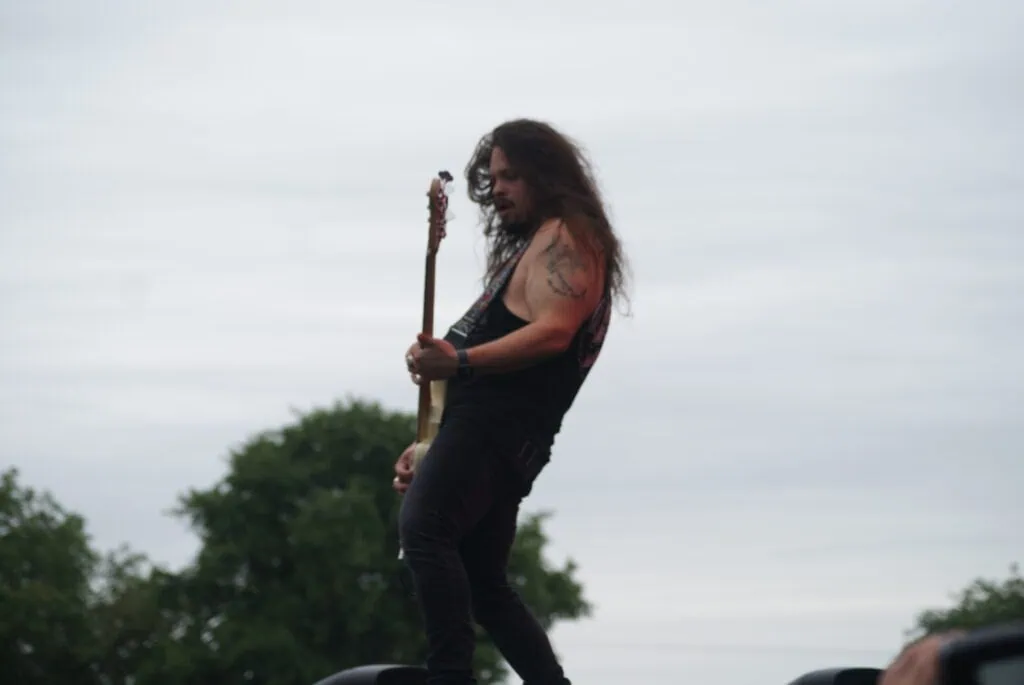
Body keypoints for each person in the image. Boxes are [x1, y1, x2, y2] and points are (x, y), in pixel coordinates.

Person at [392, 118, 628, 685]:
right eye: (493, 177)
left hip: (494, 431)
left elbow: (553, 332)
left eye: (511, 176)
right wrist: (429, 443)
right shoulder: (542, 242)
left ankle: (450, 677)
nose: (497, 188)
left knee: (424, 528)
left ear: (546, 176)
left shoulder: (567, 237)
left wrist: (459, 361)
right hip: (494, 434)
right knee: (483, 583)